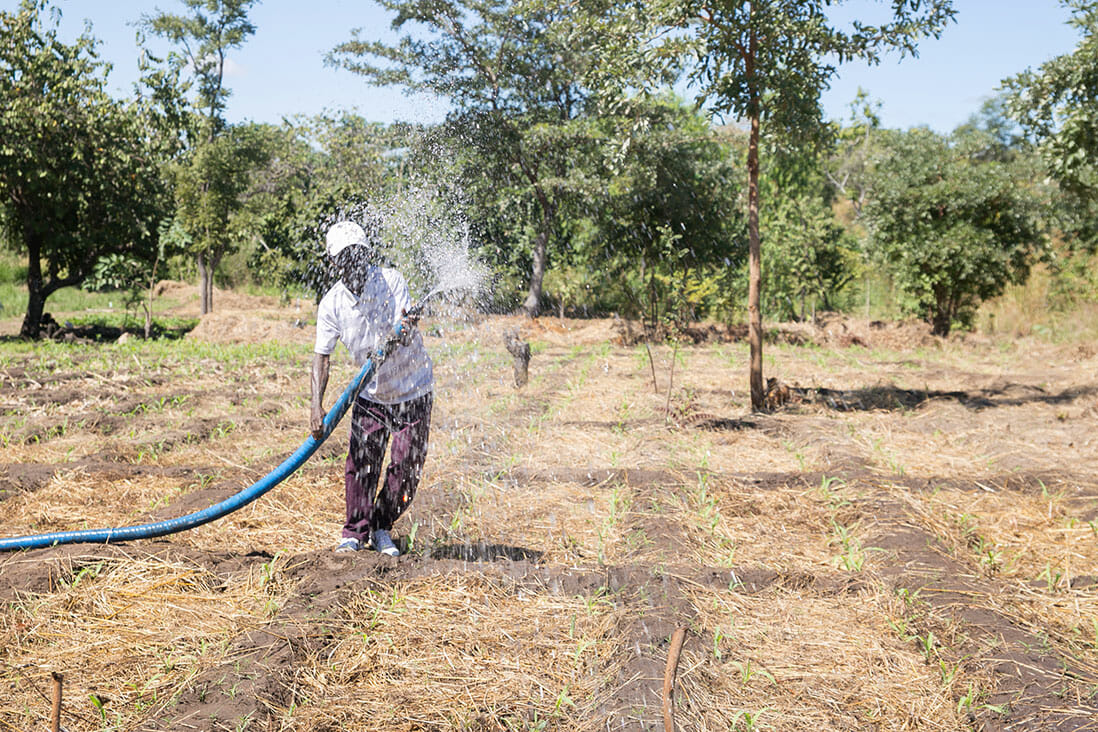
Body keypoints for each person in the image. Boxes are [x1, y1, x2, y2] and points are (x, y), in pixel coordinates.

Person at [310, 220, 434, 556]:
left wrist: (401, 330)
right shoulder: (331, 304)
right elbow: (322, 358)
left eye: (358, 254)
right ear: (333, 262)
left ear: (366, 254)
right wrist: (315, 406)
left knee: (408, 465)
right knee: (362, 463)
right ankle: (354, 532)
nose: (353, 263)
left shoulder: (391, 281)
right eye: (344, 257)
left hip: (413, 389)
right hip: (370, 395)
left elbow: (404, 328)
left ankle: (382, 527)